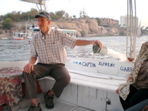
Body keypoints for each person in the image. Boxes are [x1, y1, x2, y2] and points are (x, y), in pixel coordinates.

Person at [23, 11, 103, 111]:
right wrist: (30, 63)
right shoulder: (35, 38)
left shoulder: (58, 34)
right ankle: (35, 105)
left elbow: (75, 42)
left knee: (65, 78)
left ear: (48, 22)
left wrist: (92, 42)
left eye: (42, 20)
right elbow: (33, 56)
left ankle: (50, 94)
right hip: (42, 65)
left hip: (58, 65)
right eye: (38, 20)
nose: (39, 22)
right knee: (27, 71)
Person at [116, 41, 148, 110]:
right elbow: (135, 69)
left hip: (146, 88)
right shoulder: (145, 47)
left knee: (134, 100)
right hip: (136, 84)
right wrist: (126, 85)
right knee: (123, 94)